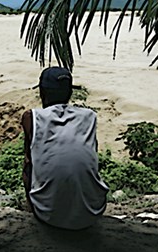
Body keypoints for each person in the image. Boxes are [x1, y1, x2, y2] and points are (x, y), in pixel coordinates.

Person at [21, 66, 109, 230]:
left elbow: (30, 161)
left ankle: (35, 209)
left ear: (42, 93)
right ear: (70, 93)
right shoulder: (89, 117)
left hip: (48, 215)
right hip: (92, 211)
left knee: (28, 165)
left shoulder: (31, 118)